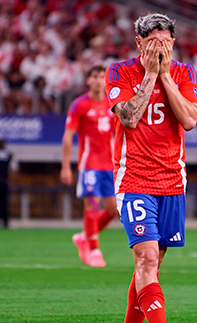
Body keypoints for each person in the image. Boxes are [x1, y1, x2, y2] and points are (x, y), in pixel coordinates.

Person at [105, 13, 197, 323]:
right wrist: (149, 75)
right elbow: (128, 117)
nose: (161, 47)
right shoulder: (118, 72)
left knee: (150, 266)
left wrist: (164, 77)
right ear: (139, 43)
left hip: (172, 180)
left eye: (166, 41)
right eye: (153, 41)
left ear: (174, 42)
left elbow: (189, 120)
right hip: (133, 179)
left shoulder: (184, 73)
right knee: (145, 259)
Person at [60, 66, 117, 267]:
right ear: (88, 80)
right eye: (95, 77)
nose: (99, 80)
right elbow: (68, 136)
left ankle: (85, 236)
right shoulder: (80, 105)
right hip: (89, 165)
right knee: (92, 206)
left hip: (110, 165)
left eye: (103, 76)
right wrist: (66, 166)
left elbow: (118, 135)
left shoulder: (113, 103)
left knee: (114, 209)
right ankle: (94, 249)